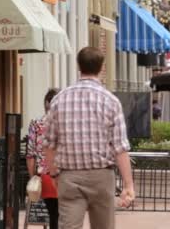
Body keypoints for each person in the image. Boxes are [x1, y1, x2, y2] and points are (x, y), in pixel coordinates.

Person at [44, 47, 135, 229]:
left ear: (79, 66)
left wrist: (53, 173)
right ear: (102, 68)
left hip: (69, 176)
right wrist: (128, 185)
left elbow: (49, 144)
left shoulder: (59, 100)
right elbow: (120, 148)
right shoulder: (110, 101)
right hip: (101, 175)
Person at [26, 88, 60, 229]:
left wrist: (32, 176)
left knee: (53, 214)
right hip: (66, 175)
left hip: (45, 176)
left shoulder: (36, 124)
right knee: (65, 215)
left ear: (45, 104)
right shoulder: (65, 124)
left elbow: (30, 154)